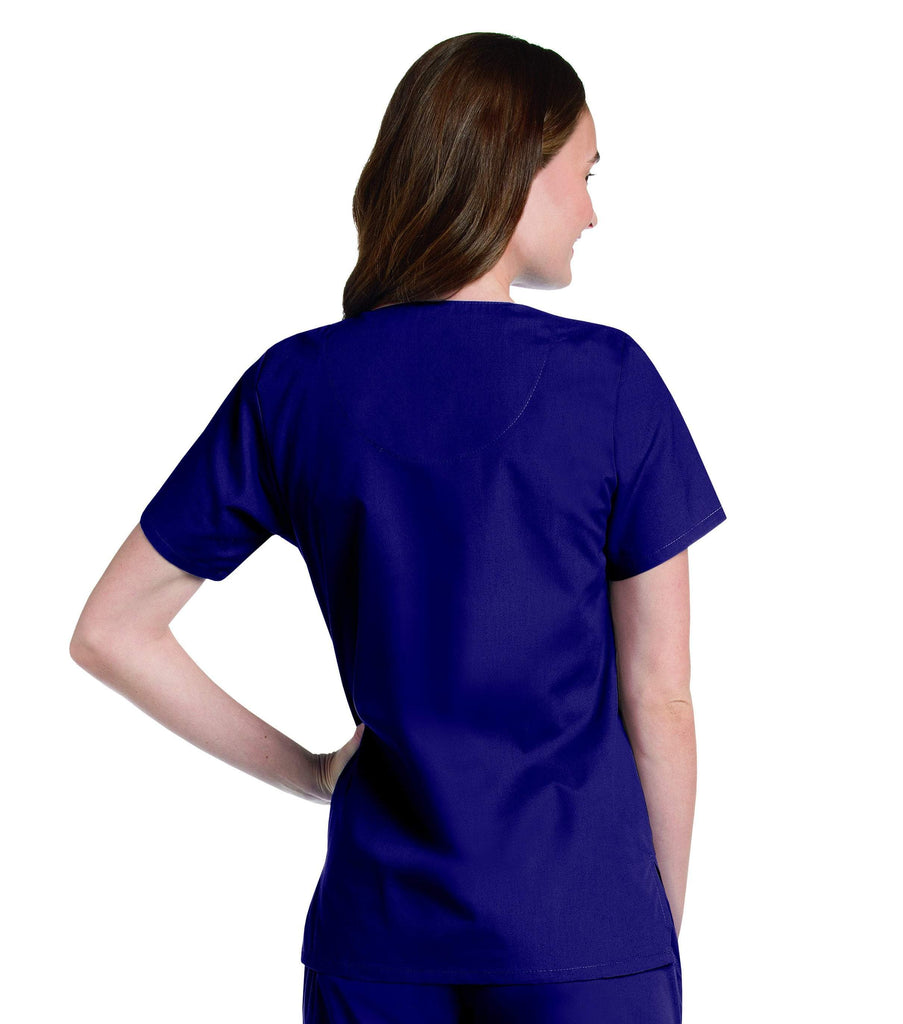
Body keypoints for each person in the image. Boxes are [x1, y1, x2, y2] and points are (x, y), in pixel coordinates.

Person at [70, 31, 726, 1024]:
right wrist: (649, 933)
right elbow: (661, 697)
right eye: (585, 173)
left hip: (377, 936)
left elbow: (112, 631)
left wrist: (312, 773)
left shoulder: (297, 387)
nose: (593, 211)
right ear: (514, 168)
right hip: (583, 936)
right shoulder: (610, 383)